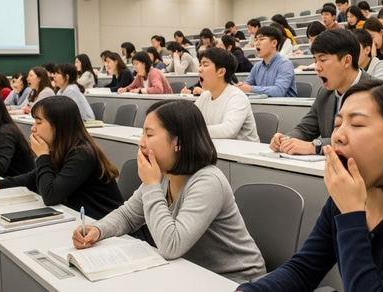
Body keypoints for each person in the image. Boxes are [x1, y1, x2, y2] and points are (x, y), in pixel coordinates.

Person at [237, 81, 383, 291]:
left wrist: (353, 215)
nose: (338, 136)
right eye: (337, 124)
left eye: (357, 124)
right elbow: (303, 270)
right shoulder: (342, 201)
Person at [71, 100, 266, 283]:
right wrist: (97, 230)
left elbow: (171, 246)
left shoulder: (207, 181)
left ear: (177, 142)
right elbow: (128, 216)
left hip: (234, 281)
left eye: (149, 134)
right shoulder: (164, 175)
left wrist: (151, 185)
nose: (141, 142)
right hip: (191, 272)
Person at [0, 96, 124, 220]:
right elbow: (33, 177)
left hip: (103, 225)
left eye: (39, 122)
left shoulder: (82, 154)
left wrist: (43, 156)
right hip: (80, 220)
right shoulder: (61, 148)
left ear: (59, 126)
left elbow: (51, 196)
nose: (33, 128)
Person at [270, 29, 370, 155]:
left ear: (347, 61)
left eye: (322, 60)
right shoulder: (325, 93)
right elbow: (305, 129)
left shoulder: (374, 92)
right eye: (315, 60)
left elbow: (359, 140)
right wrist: (286, 140)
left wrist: (315, 146)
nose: (317, 67)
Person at [195, 48, 259, 142]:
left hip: (242, 153)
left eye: (205, 65)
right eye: (200, 65)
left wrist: (192, 131)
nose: (200, 69)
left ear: (221, 72)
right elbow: (189, 118)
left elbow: (229, 130)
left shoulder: (237, 97)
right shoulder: (205, 96)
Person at [237, 26, 297, 97]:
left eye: (261, 39)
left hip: (285, 107)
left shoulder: (285, 64)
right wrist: (240, 87)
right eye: (256, 40)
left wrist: (250, 89)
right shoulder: (257, 66)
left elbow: (279, 91)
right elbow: (247, 85)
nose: (256, 43)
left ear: (274, 43)